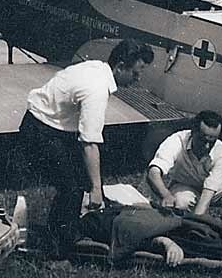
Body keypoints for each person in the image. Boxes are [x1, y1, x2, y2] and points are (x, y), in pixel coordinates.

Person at [19, 39, 154, 253]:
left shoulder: (99, 68)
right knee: (71, 187)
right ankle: (60, 249)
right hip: (40, 129)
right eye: (135, 73)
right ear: (120, 67)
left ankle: (64, 232)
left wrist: (91, 184)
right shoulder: (97, 88)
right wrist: (97, 189)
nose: (137, 80)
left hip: (53, 125)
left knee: (79, 181)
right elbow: (89, 142)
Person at [146, 110, 222, 222]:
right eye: (203, 140)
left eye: (212, 142)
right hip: (185, 185)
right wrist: (166, 195)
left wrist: (198, 220)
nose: (207, 146)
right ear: (192, 132)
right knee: (180, 203)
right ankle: (180, 231)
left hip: (219, 187)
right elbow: (153, 172)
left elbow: (208, 193)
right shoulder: (177, 140)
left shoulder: (221, 152)